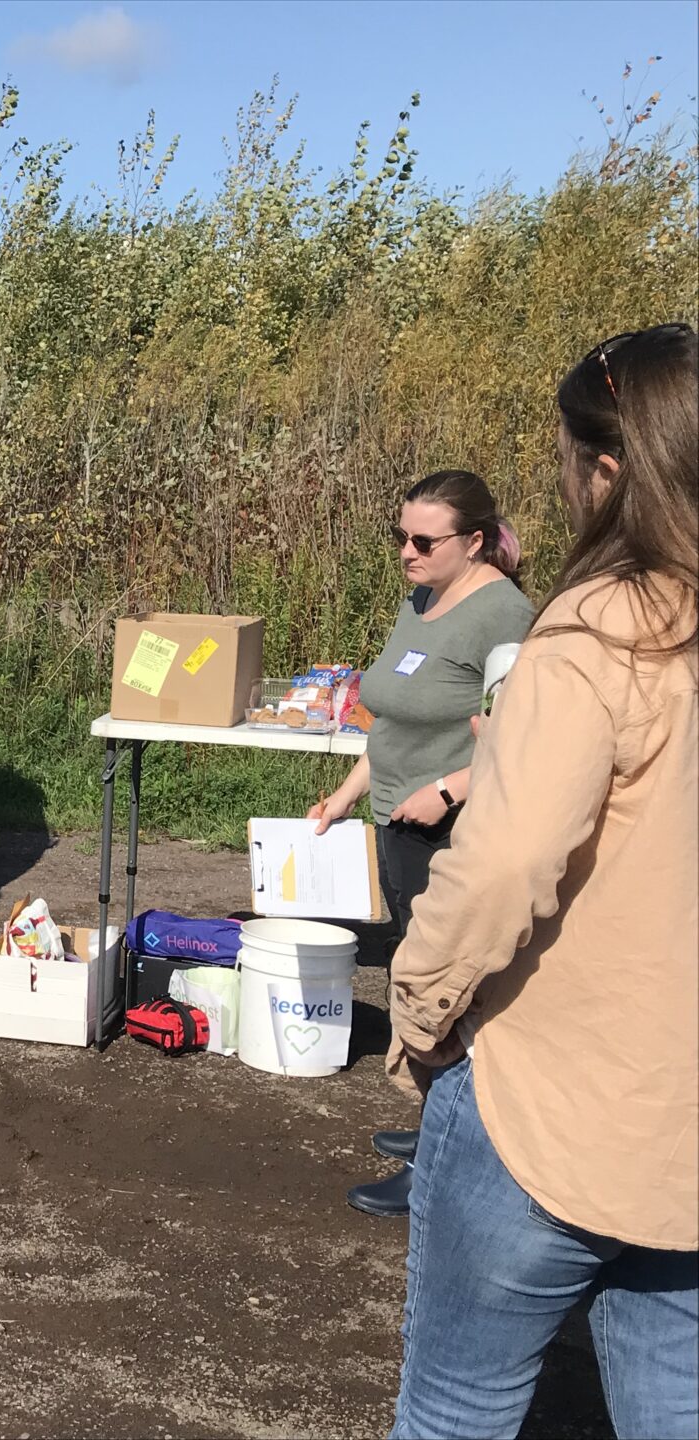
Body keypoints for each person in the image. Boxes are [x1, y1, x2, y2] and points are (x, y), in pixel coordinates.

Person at [384, 322, 697, 1439]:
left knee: (456, 1410)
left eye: (568, 458)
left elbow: (510, 860)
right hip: (682, 1131)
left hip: (550, 1107)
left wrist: (422, 1010)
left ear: (607, 469)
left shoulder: (600, 632)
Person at [309, 469, 532, 1217]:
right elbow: (397, 718)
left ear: (473, 543)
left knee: (447, 993)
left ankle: (442, 1164)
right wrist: (345, 797)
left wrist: (446, 792)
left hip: (452, 834)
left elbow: (524, 735)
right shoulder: (421, 601)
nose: (406, 551)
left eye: (423, 540)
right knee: (413, 974)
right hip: (394, 826)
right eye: (399, 536)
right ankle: (434, 1122)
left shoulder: (505, 616)